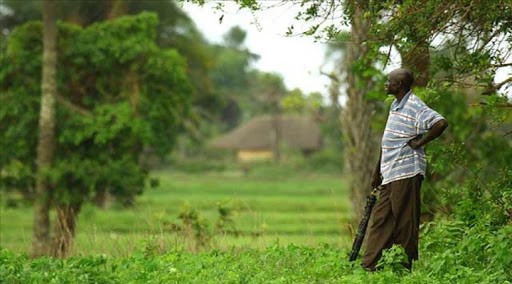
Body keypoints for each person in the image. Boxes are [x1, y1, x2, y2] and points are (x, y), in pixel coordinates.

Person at [362, 68, 448, 271]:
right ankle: (370, 267)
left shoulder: (414, 105)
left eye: (388, 81)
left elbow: (440, 123)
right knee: (381, 219)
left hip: (407, 172)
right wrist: (377, 172)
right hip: (390, 173)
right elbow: (389, 141)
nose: (385, 84)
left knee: (404, 223)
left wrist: (419, 143)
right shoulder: (395, 105)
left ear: (398, 85)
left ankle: (403, 268)